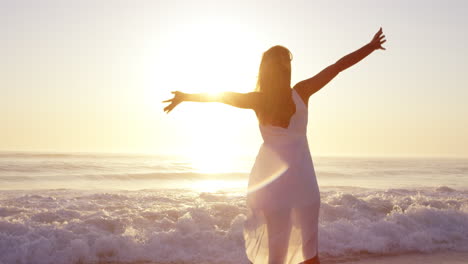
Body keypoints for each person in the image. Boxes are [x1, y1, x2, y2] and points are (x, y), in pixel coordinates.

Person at [163, 28, 386, 264]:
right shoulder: (264, 99)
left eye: (288, 62)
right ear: (272, 68)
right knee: (278, 254)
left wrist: (369, 47)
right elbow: (221, 96)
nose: (287, 66)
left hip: (304, 186)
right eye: (283, 61)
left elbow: (337, 67)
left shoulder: (300, 91)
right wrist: (186, 96)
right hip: (276, 187)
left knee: (309, 253)